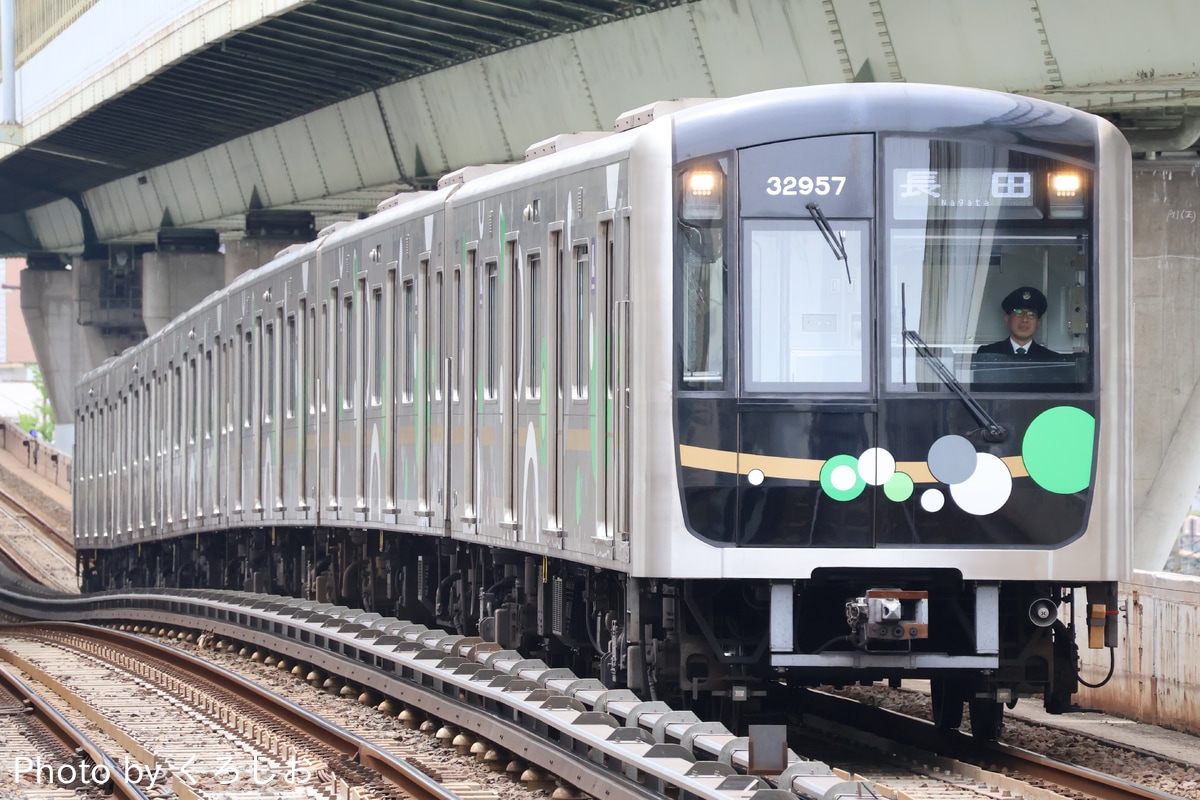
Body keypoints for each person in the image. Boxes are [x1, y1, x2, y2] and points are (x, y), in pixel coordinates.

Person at [974, 286, 1058, 359]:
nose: (1024, 319)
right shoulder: (988, 353)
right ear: (1007, 319)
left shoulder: (1050, 358)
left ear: (1038, 322)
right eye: (1018, 312)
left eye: (1031, 314)